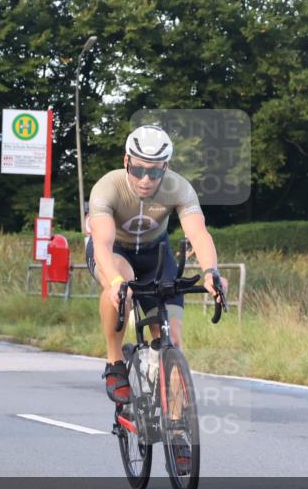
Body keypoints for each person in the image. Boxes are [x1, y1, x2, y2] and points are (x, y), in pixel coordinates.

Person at [86, 125, 227, 402]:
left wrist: (211, 272)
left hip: (156, 255)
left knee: (172, 340)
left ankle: (177, 430)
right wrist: (114, 281)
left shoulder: (179, 188)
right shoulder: (107, 187)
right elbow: (101, 243)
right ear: (126, 161)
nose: (146, 179)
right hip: (115, 252)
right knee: (122, 284)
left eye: (155, 171)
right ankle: (114, 363)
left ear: (166, 167)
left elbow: (198, 233)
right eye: (139, 170)